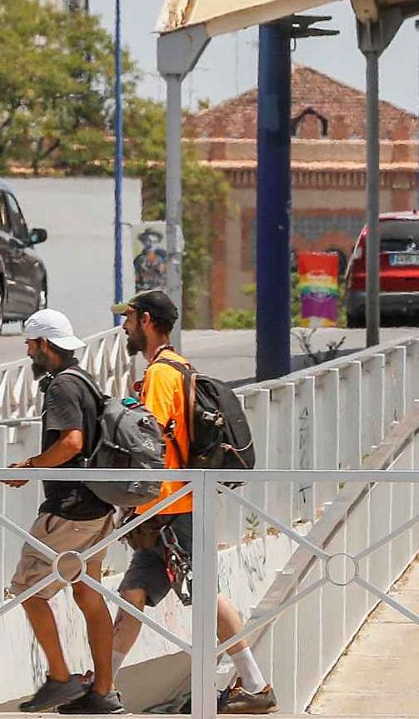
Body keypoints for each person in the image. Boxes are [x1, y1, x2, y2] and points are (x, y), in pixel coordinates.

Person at [109, 290, 277, 714]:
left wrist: (138, 500)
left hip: (172, 506)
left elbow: (151, 443)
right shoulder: (180, 368)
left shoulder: (163, 375)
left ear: (146, 321)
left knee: (206, 593)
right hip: (171, 504)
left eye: (128, 319)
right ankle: (104, 686)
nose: (124, 327)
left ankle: (255, 685)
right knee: (133, 592)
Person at [2, 309, 122, 714]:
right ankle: (103, 691)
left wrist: (30, 467)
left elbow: (71, 442)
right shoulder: (87, 382)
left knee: (27, 589)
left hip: (69, 510)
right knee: (88, 592)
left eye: (30, 345)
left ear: (43, 345)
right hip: (99, 507)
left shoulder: (61, 388)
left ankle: (60, 678)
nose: (28, 352)